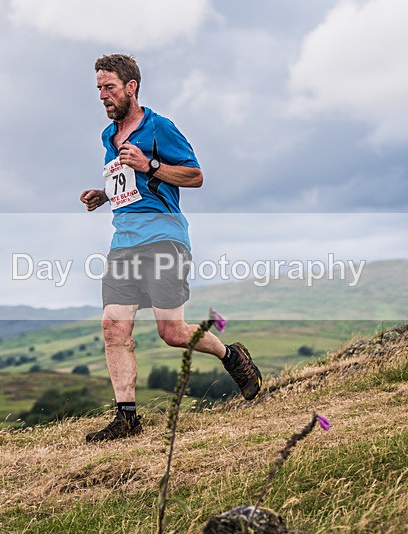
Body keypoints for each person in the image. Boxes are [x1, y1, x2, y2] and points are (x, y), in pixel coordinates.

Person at [80, 54, 262, 442]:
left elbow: (195, 175)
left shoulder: (160, 127)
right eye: (98, 88)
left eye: (108, 87)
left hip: (164, 240)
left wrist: (150, 165)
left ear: (131, 87)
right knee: (113, 326)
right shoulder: (107, 137)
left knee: (172, 331)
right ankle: (127, 418)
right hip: (123, 243)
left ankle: (233, 357)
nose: (102, 95)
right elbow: (128, 187)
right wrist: (104, 195)